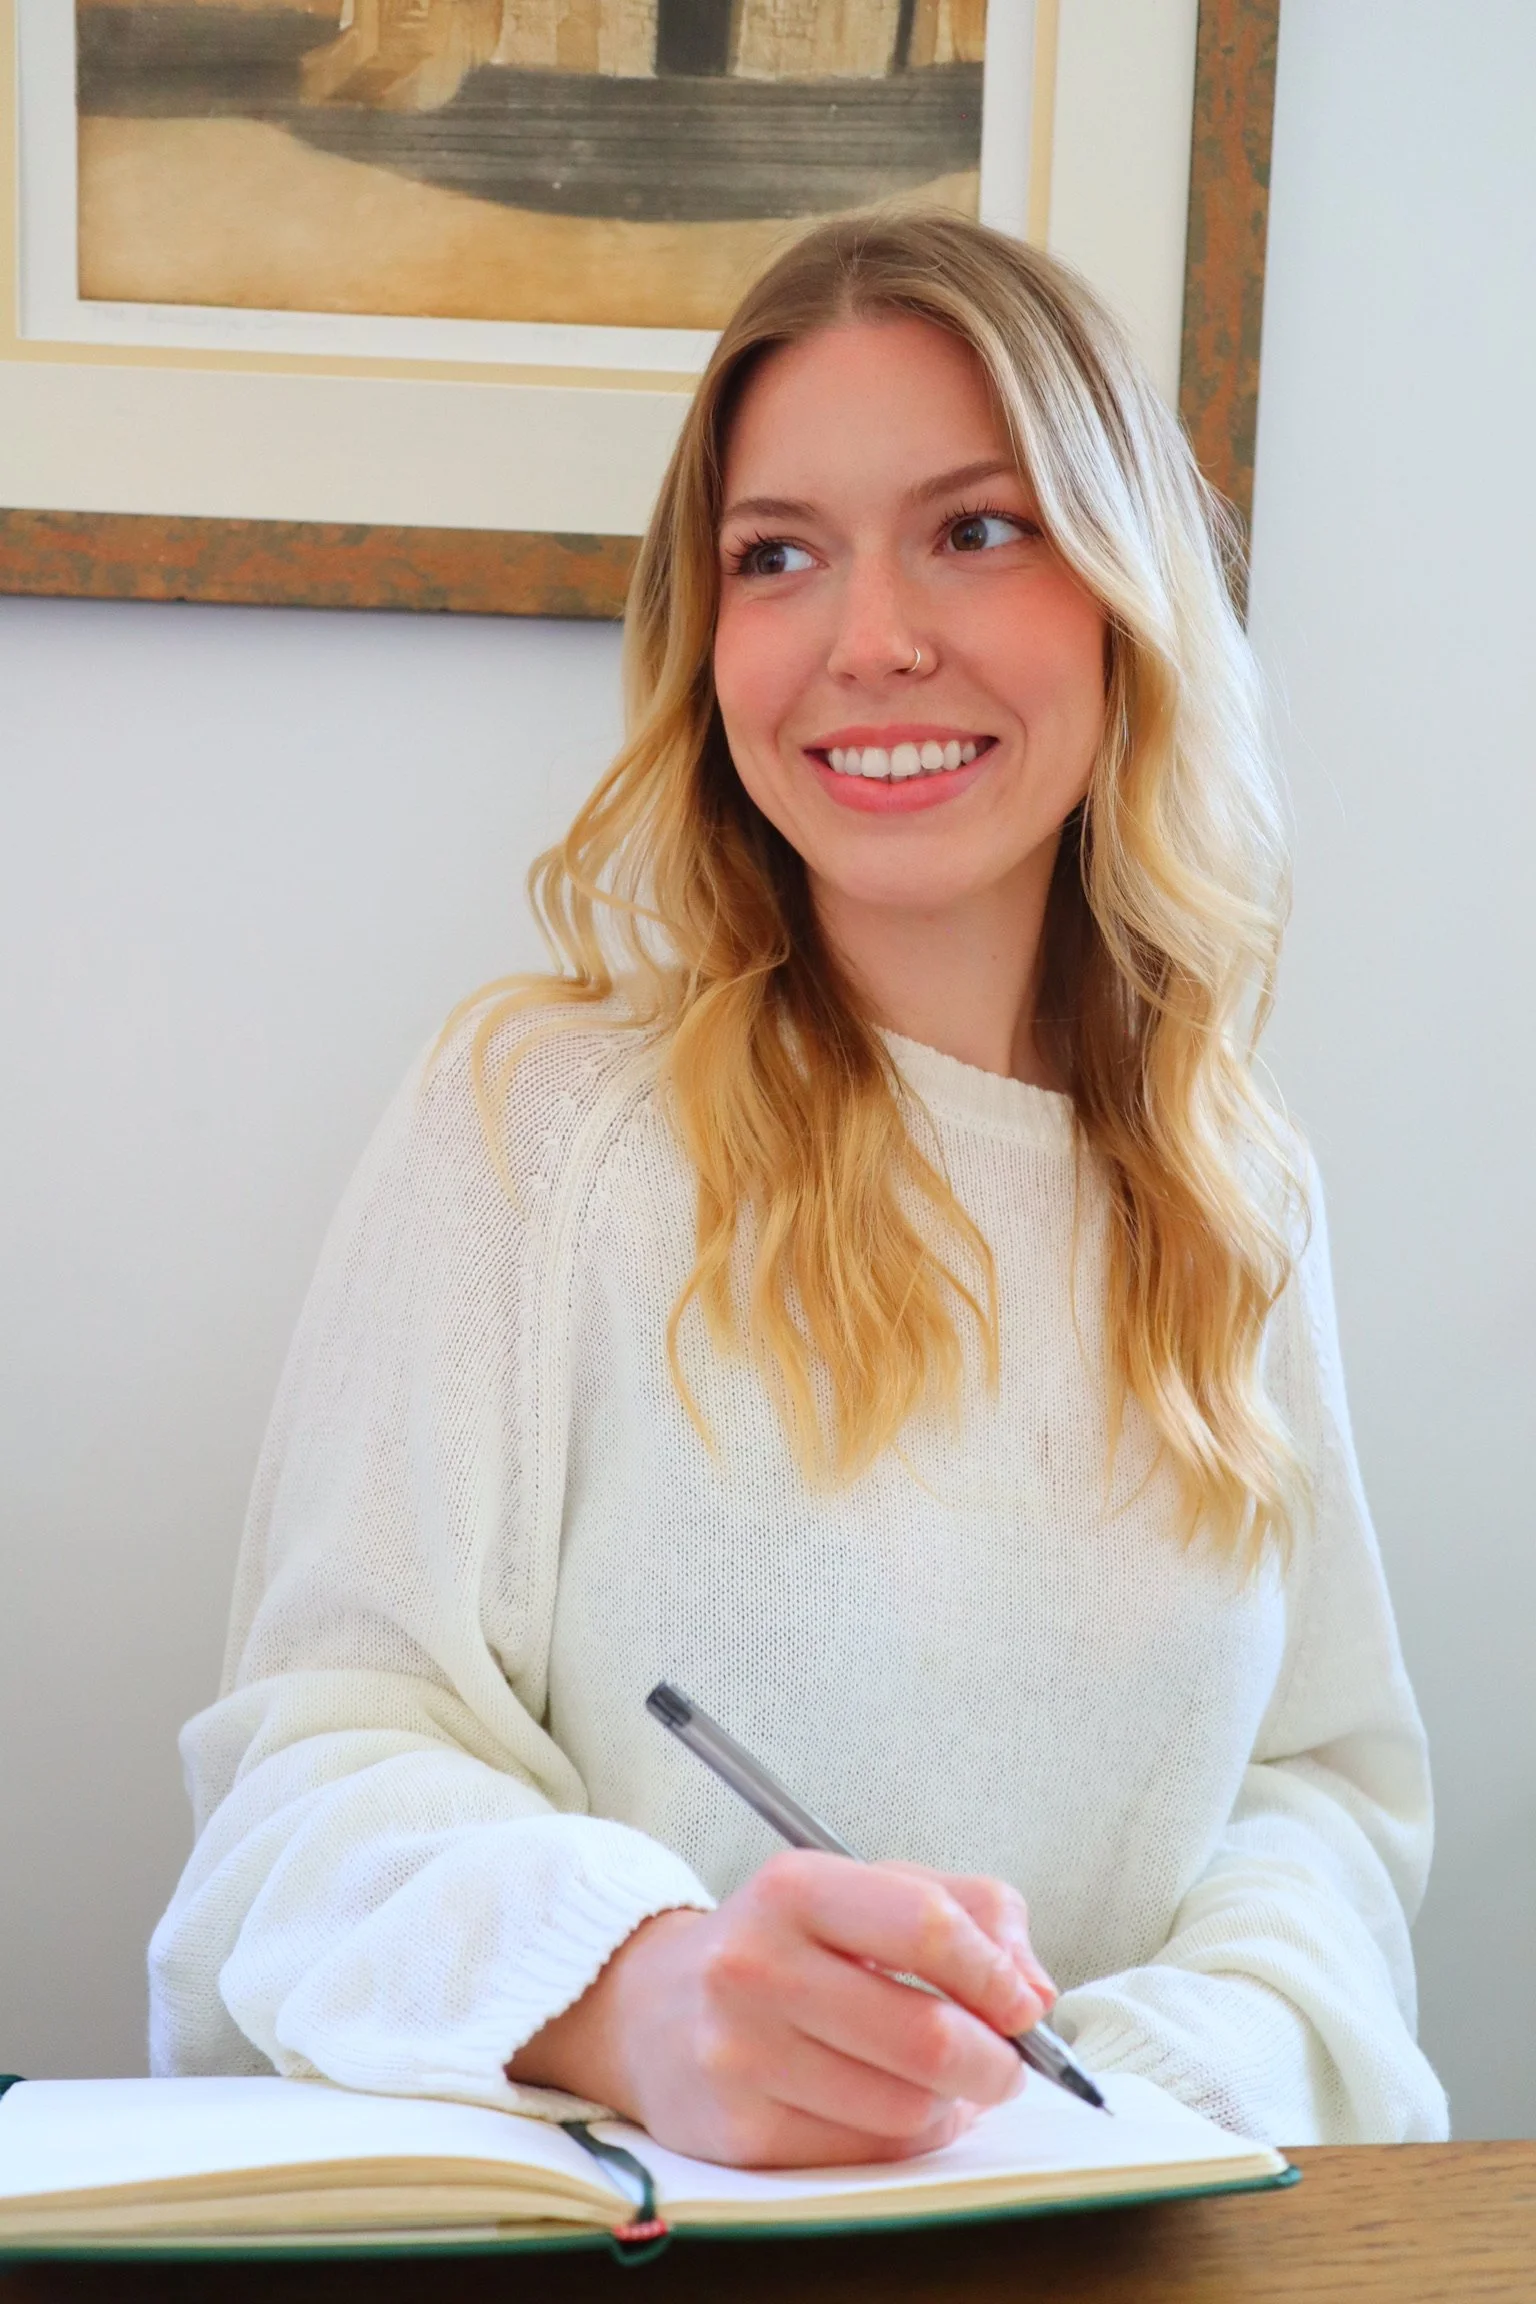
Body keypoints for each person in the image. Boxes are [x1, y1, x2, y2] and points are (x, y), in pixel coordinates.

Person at [148, 212, 1448, 2160]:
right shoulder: (538, 1127)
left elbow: (1323, 1798)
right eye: (779, 557)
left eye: (976, 529)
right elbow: (306, 1788)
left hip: (1128, 2245)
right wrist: (651, 2001)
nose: (868, 640)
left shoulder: (1237, 1187)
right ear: (711, 641)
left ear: (1126, 591)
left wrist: (1110, 2103)